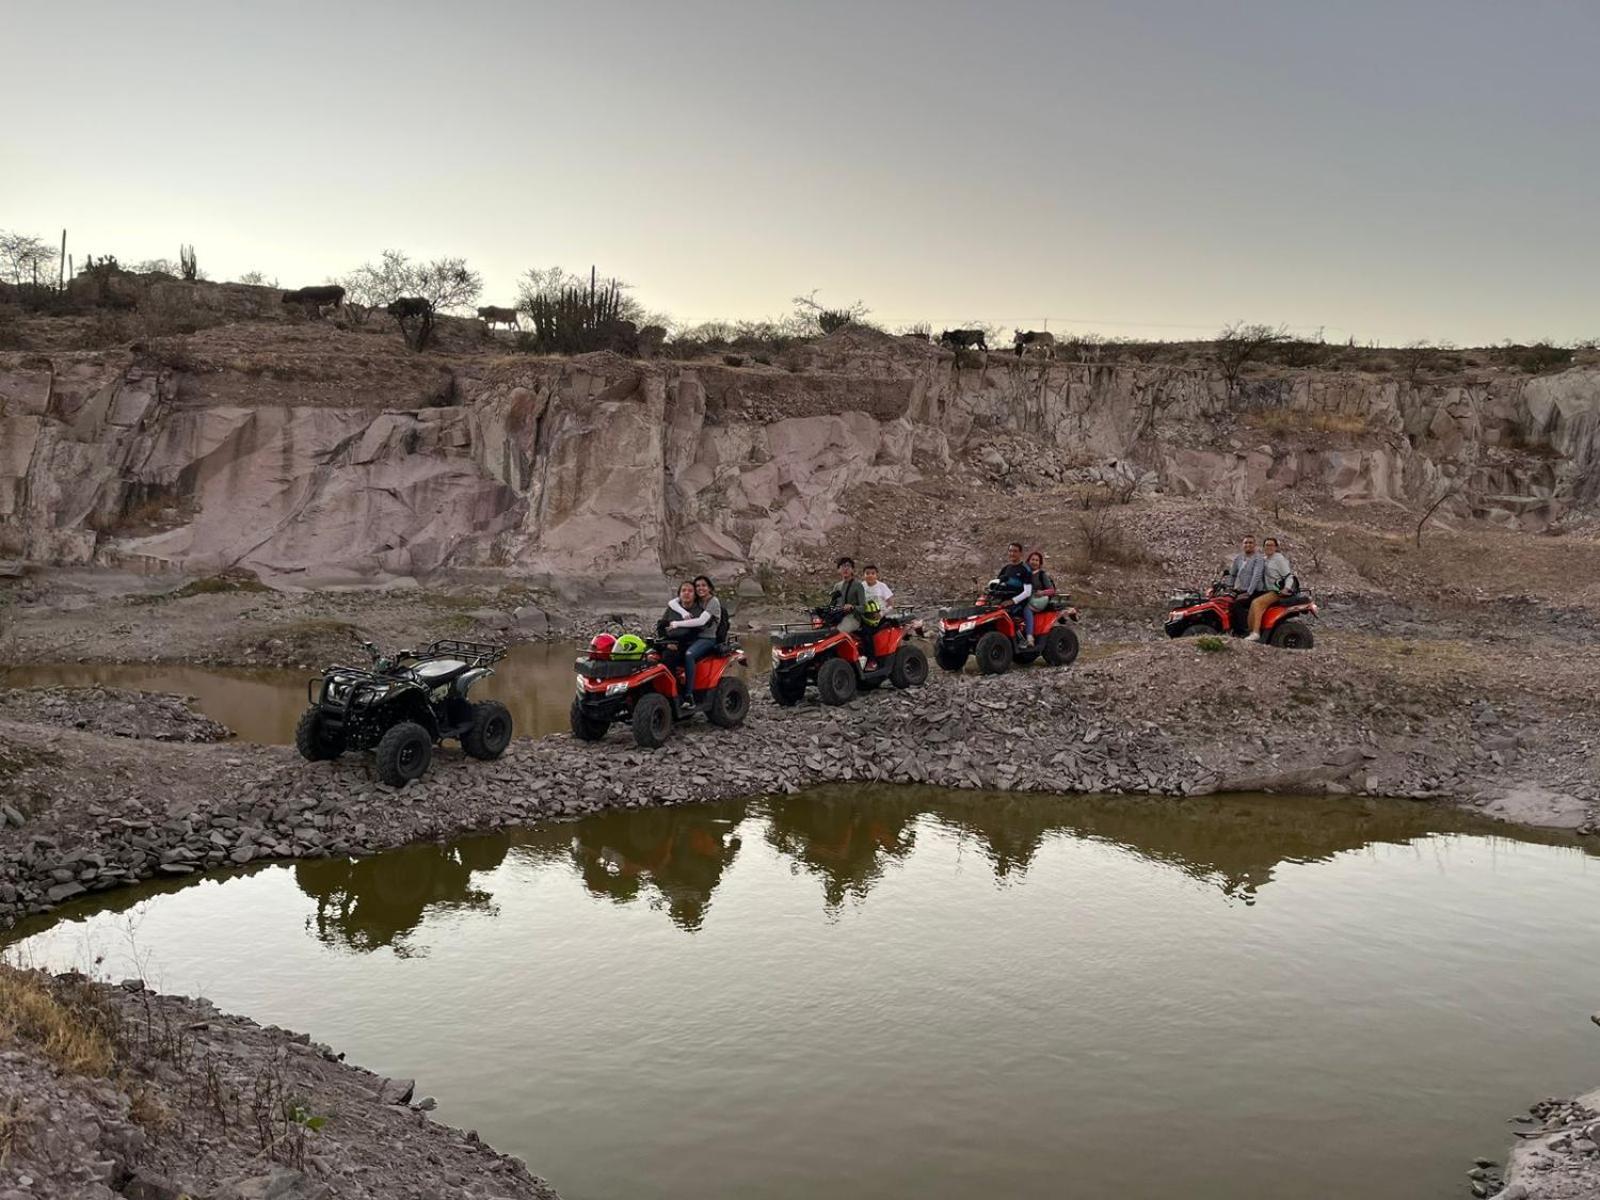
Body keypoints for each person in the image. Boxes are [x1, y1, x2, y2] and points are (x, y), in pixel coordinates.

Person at [668, 575, 722, 709]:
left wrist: (677, 624)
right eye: (697, 586)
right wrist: (682, 612)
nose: (700, 588)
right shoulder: (697, 599)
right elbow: (672, 603)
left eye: (703, 585)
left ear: (709, 587)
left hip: (707, 638)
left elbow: (701, 621)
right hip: (692, 637)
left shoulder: (713, 602)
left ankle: (689, 695)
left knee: (689, 655)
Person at [1247, 537, 1293, 642]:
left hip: (1277, 591)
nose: (1269, 547)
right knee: (1248, 600)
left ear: (1276, 547)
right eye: (1267, 545)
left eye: (1271, 545)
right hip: (1267, 590)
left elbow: (1289, 576)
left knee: (1257, 603)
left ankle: (1255, 633)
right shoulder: (1264, 559)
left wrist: (1286, 588)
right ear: (1263, 547)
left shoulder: (1279, 559)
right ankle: (1248, 630)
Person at [830, 556, 873, 667]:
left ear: (853, 570)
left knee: (837, 633)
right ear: (838, 570)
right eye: (842, 566)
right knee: (822, 633)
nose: (845, 569)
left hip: (853, 618)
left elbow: (863, 607)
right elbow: (831, 605)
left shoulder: (857, 586)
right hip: (839, 617)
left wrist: (852, 607)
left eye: (848, 566)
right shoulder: (837, 586)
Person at [995, 541, 1035, 647]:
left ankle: (1024, 639)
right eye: (1010, 551)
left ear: (1020, 553)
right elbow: (996, 584)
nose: (1012, 554)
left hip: (1019, 603)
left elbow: (1027, 592)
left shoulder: (1025, 569)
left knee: (1011, 614)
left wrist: (1012, 601)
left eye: (1015, 551)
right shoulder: (1006, 569)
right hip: (1003, 601)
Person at [656, 581, 700, 674]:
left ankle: (671, 685)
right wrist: (666, 643)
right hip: (668, 641)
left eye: (690, 591)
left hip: (687, 644)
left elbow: (695, 632)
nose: (686, 593)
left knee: (669, 655)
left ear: (695, 595)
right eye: (683, 590)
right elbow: (662, 626)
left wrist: (676, 645)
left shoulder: (698, 611)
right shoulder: (672, 608)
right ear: (679, 595)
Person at [1226, 534, 1266, 635]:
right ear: (1242, 545)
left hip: (1255, 591)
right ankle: (1230, 628)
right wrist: (1229, 587)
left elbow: (1256, 576)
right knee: (1226, 602)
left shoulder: (1258, 559)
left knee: (1237, 604)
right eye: (1246, 543)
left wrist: (1248, 592)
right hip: (1241, 589)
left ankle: (1243, 630)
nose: (1248, 544)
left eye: (1250, 542)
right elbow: (1232, 574)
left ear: (1255, 545)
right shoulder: (1239, 558)